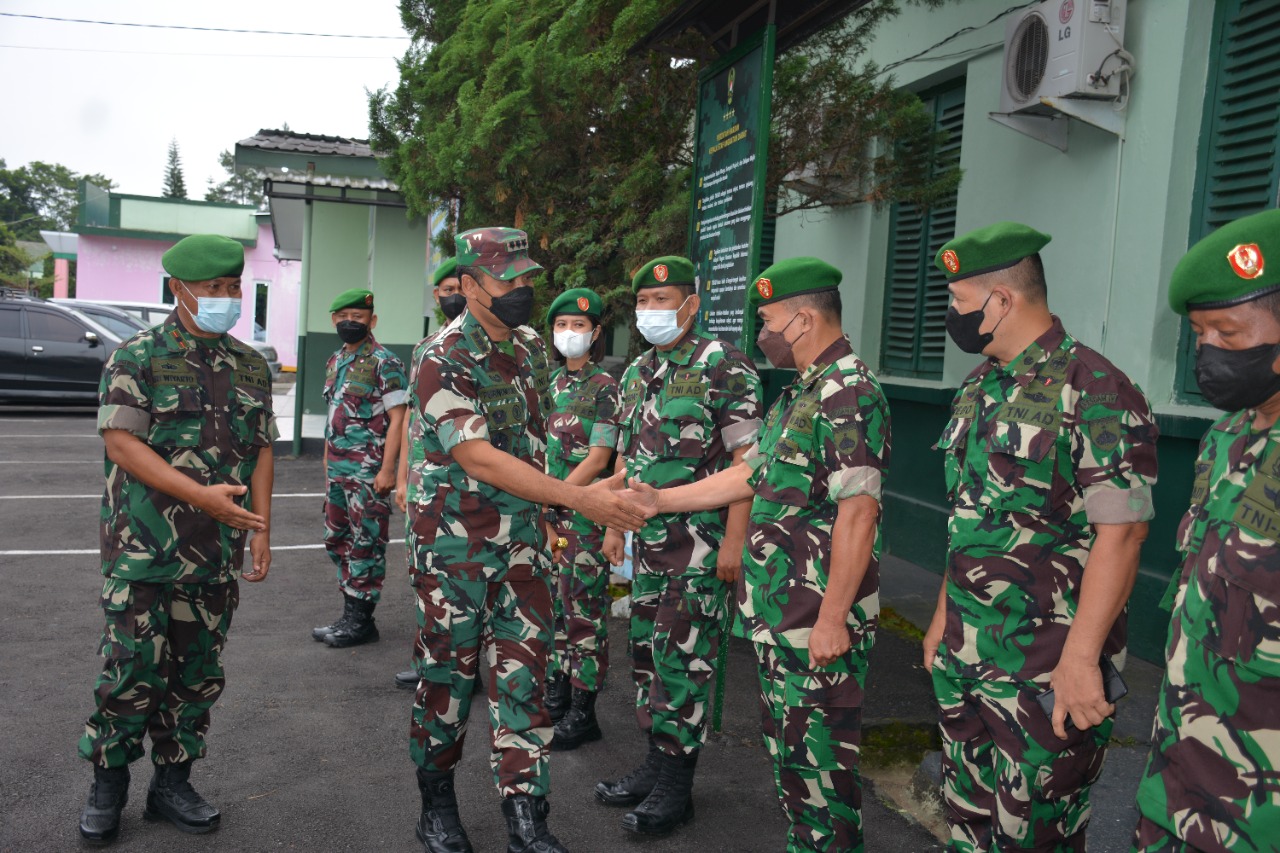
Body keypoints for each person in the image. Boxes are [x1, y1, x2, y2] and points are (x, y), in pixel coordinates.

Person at [618, 258, 890, 851]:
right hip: (781, 613)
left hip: (813, 615)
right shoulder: (803, 394)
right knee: (795, 767)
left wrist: (833, 618)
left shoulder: (849, 392)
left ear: (802, 319)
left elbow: (859, 512)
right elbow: (746, 477)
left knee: (819, 773)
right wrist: (659, 498)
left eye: (767, 320)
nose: (762, 333)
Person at [405, 226, 644, 853]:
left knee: (524, 684)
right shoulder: (441, 354)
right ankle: (437, 804)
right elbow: (478, 455)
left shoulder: (534, 349)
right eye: (509, 279)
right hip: (455, 548)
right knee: (448, 681)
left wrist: (568, 504)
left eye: (527, 278)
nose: (522, 290)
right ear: (473, 285)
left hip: (526, 547)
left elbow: (533, 440)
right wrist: (578, 498)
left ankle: (527, 816)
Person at [921, 222, 1159, 852]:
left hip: (1045, 669)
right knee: (968, 826)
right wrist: (944, 618)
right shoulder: (977, 390)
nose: (953, 316)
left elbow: (1126, 533)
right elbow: (968, 518)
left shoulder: (1097, 388)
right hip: (966, 658)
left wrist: (1081, 662)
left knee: (1036, 836)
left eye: (960, 303)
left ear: (1002, 301)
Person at [77, 233, 276, 843]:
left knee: (196, 671)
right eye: (213, 289)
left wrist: (262, 529)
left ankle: (173, 784)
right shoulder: (138, 355)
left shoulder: (249, 364)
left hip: (214, 553)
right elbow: (121, 442)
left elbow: (262, 448)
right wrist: (200, 496)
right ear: (179, 290)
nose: (226, 298)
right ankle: (108, 785)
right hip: (144, 549)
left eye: (233, 287)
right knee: (131, 668)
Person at [596, 255, 762, 836]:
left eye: (662, 302)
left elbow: (749, 465)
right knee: (646, 657)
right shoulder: (638, 369)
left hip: (699, 546)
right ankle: (654, 764)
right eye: (642, 303)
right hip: (647, 547)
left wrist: (734, 546)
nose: (650, 313)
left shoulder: (726, 367)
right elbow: (625, 456)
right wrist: (614, 523)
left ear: (691, 304)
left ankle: (677, 788)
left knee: (681, 665)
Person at [1132, 207, 1280, 852]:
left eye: (1228, 330)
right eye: (1199, 333)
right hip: (1179, 773)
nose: (1210, 350)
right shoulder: (1228, 436)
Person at [541, 288, 621, 750]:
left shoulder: (605, 387)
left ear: (595, 334)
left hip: (582, 516)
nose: (569, 333)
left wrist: (558, 497)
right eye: (561, 325)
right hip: (548, 514)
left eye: (578, 326)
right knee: (553, 607)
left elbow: (599, 457)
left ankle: (584, 710)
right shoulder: (548, 383)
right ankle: (556, 694)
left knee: (583, 613)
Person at [311, 289, 408, 648]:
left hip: (368, 473)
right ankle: (350, 611)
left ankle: (361, 621)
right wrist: (326, 458)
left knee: (366, 542)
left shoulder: (387, 362)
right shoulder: (336, 360)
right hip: (337, 469)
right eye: (343, 316)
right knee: (337, 539)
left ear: (373, 321)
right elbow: (333, 411)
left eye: (359, 316)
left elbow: (398, 420)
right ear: (333, 320)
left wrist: (388, 470)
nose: (350, 322)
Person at [394, 256, 469, 689]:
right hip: (424, 485)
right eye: (444, 289)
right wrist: (404, 475)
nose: (451, 295)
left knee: (460, 582)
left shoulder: (501, 347)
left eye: (458, 286)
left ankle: (459, 670)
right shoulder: (425, 347)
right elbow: (412, 419)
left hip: (463, 488)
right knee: (424, 576)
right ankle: (430, 662)